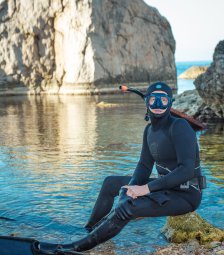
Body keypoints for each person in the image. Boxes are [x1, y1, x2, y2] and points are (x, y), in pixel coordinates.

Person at [58, 82, 203, 252]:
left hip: (186, 195)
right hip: (166, 188)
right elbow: (144, 165)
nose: (157, 105)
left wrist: (145, 189)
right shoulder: (149, 131)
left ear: (170, 103)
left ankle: (76, 248)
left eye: (163, 100)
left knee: (127, 208)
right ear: (147, 102)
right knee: (110, 183)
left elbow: (186, 170)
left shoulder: (179, 127)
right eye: (153, 100)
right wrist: (131, 189)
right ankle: (90, 230)